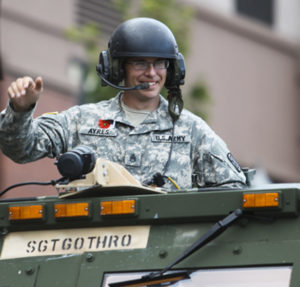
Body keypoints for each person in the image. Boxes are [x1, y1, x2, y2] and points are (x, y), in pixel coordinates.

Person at [0, 17, 246, 191]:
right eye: (140, 63)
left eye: (160, 63)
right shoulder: (81, 120)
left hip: (170, 259)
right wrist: (20, 110)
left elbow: (234, 189)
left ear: (172, 70)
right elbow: (20, 149)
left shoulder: (191, 130)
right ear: (118, 69)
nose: (152, 73)